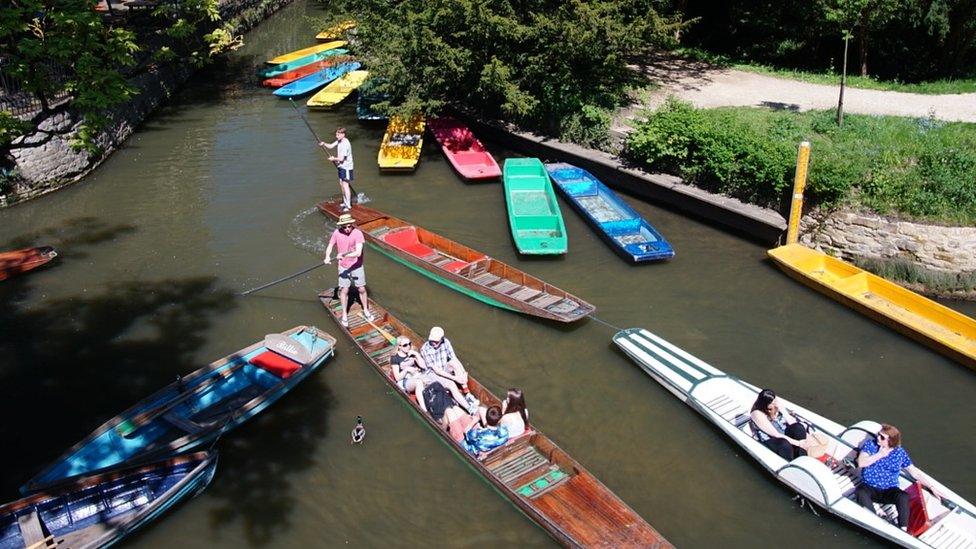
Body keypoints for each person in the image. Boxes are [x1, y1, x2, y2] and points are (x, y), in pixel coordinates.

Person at [855, 424, 943, 531]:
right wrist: (879, 455)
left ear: (891, 441)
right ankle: (874, 521)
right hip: (869, 487)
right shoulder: (871, 445)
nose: (878, 438)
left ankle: (903, 529)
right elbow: (861, 462)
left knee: (903, 496)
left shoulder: (899, 453)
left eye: (882, 437)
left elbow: (914, 472)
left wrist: (932, 487)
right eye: (879, 435)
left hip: (889, 490)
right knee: (860, 492)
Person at [391, 336, 478, 415]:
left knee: (450, 383)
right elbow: (398, 377)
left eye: (409, 343)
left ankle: (469, 407)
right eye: (405, 345)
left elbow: (424, 366)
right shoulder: (395, 358)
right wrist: (407, 369)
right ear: (399, 346)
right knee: (419, 382)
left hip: (423, 374)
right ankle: (425, 411)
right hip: (408, 381)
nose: (408, 346)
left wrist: (416, 355)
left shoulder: (412, 352)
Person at [324, 213, 369, 327]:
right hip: (343, 266)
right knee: (344, 290)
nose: (348, 229)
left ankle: (366, 309)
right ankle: (344, 314)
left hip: (356, 265)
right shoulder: (336, 233)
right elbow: (330, 246)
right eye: (345, 227)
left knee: (362, 288)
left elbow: (358, 253)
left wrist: (343, 255)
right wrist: (327, 256)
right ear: (341, 226)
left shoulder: (358, 233)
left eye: (349, 226)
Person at [420, 327, 475, 408]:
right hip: (433, 374)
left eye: (436, 341)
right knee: (451, 384)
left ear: (442, 339)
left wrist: (463, 373)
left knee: (453, 363)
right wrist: (455, 378)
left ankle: (467, 393)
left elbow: (454, 358)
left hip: (443, 369)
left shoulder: (446, 342)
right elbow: (436, 370)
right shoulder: (425, 349)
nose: (433, 343)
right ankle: (469, 408)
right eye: (432, 341)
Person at [750, 389, 810, 461]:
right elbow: (776, 435)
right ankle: (789, 462)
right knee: (784, 444)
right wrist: (799, 443)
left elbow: (790, 420)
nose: (776, 403)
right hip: (770, 439)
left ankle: (802, 458)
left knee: (798, 427)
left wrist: (805, 436)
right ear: (765, 404)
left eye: (775, 400)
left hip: (782, 431)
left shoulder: (776, 403)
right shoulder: (757, 414)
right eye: (773, 402)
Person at [319, 127, 355, 211]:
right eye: (336, 134)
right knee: (341, 184)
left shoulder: (346, 144)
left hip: (346, 167)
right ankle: (345, 201)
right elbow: (331, 146)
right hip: (341, 166)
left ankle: (348, 205)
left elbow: (341, 159)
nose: (336, 136)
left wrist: (333, 159)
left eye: (338, 134)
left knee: (345, 185)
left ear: (343, 134)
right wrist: (324, 144)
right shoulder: (339, 140)